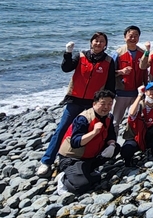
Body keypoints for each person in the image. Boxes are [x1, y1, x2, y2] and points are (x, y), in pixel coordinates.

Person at [37, 32, 116, 178]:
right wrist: (68, 53)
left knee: (93, 131)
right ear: (91, 42)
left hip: (94, 104)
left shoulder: (109, 61)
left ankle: (88, 160)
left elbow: (110, 84)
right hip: (75, 100)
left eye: (101, 41)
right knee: (62, 129)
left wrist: (108, 102)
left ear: (106, 44)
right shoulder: (81, 56)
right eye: (96, 40)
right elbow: (66, 68)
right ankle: (47, 161)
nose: (98, 43)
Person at [54, 90, 119, 195]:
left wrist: (111, 145)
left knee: (116, 148)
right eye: (102, 104)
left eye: (109, 104)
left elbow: (111, 134)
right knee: (81, 187)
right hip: (73, 157)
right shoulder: (83, 118)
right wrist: (94, 132)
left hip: (91, 155)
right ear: (94, 104)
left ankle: (87, 170)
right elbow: (75, 142)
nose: (106, 107)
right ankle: (63, 178)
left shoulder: (109, 117)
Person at [120, 82, 153, 166]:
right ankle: (128, 161)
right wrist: (139, 95)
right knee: (127, 149)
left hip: (149, 136)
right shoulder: (139, 104)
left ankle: (152, 154)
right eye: (150, 89)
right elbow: (131, 113)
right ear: (145, 92)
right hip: (135, 136)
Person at [111, 26, 148, 136]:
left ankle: (133, 143)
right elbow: (109, 73)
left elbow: (145, 72)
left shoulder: (142, 53)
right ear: (124, 37)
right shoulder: (117, 53)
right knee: (115, 122)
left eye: (136, 36)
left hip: (137, 94)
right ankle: (111, 145)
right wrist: (120, 72)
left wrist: (146, 89)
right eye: (130, 36)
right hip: (121, 93)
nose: (133, 38)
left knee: (136, 120)